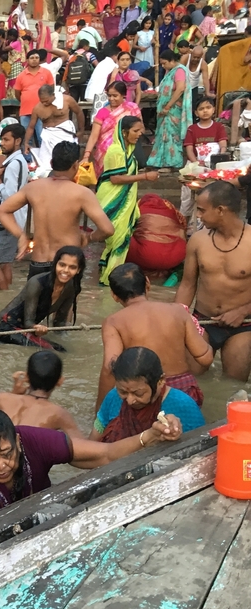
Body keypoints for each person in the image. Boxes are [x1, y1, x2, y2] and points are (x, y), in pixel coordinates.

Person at [0, 406, 183, 520]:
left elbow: (104, 454)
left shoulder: (34, 440)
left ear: (19, 442)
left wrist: (150, 436)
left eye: (6, 453)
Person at [98, 263, 211, 408]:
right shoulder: (178, 311)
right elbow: (206, 359)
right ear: (148, 284)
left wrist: (100, 410)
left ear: (114, 295)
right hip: (184, 390)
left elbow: (109, 368)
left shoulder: (113, 322)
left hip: (145, 392)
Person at [0, 142, 114, 278]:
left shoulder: (33, 188)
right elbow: (107, 229)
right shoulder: (82, 193)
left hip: (38, 263)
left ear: (51, 163)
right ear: (76, 165)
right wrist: (89, 237)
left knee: (37, 298)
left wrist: (21, 235)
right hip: (66, 265)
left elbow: (2, 211)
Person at [176, 181, 251, 381]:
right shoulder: (198, 240)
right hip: (202, 320)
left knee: (233, 384)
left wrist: (242, 311)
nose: (198, 215)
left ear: (220, 210)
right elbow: (187, 284)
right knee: (189, 379)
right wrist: (178, 318)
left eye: (201, 210)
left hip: (243, 325)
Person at [92, 347, 205, 441]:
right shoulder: (113, 397)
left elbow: (201, 451)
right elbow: (94, 442)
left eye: (139, 393)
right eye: (123, 392)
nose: (130, 400)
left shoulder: (184, 406)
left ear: (160, 381)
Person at [0, 245, 85, 351]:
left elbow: (59, 322)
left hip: (25, 330)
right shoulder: (37, 283)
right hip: (4, 327)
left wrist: (69, 341)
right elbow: (28, 322)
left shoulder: (72, 288)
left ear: (78, 270)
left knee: (63, 349)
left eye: (72, 267)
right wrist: (36, 328)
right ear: (55, 264)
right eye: (62, 265)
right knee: (56, 349)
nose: (66, 270)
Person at [98, 116, 158, 282]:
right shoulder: (116, 151)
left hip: (123, 199)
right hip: (113, 199)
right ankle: (111, 280)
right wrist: (145, 176)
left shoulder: (128, 150)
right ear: (124, 133)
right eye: (135, 131)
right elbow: (115, 179)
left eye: (141, 131)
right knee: (118, 241)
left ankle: (108, 276)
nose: (139, 134)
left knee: (119, 241)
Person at [0, 351, 84, 440]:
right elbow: (82, 445)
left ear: (26, 377)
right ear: (60, 381)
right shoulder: (59, 413)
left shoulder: (2, 398)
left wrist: (14, 393)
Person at [0, 124, 29, 290]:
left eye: (6, 140)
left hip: (9, 219)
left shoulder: (13, 164)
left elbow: (10, 196)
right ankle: (7, 292)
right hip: (16, 218)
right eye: (1, 139)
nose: (2, 143)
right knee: (5, 262)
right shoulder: (19, 161)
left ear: (17, 141)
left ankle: (3, 295)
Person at [81, 82, 142, 177]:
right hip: (105, 152)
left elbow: (140, 128)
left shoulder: (132, 108)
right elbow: (93, 136)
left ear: (124, 95)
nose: (111, 99)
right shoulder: (102, 112)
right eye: (109, 95)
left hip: (127, 150)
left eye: (115, 96)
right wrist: (86, 156)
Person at [149, 50, 192, 169]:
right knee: (163, 135)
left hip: (173, 110)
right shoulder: (171, 71)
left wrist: (168, 106)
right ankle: (160, 162)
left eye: (164, 63)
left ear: (172, 61)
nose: (163, 66)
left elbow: (180, 89)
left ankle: (172, 163)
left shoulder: (179, 71)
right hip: (166, 111)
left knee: (171, 136)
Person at [27, 85, 84, 170]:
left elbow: (79, 112)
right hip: (48, 137)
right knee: (45, 165)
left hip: (65, 134)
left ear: (53, 95)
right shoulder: (37, 108)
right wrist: (26, 142)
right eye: (42, 101)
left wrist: (81, 130)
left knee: (67, 161)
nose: (44, 103)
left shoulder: (67, 100)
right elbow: (31, 127)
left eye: (46, 101)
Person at [15, 51, 56, 146]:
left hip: (43, 111)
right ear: (27, 60)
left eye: (36, 58)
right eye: (32, 58)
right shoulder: (21, 75)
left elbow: (51, 90)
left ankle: (43, 159)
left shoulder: (46, 73)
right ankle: (28, 159)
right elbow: (17, 93)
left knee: (42, 137)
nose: (34, 60)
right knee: (26, 139)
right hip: (25, 111)